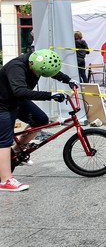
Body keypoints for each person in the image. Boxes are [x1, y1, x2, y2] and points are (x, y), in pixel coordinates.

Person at [0, 49, 78, 191]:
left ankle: (16, 152)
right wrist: (50, 95)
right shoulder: (16, 67)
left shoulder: (39, 62)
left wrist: (68, 80)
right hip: (3, 104)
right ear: (31, 63)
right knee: (4, 141)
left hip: (18, 101)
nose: (39, 75)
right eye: (39, 73)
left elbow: (51, 71)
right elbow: (19, 90)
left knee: (41, 120)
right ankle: (5, 181)